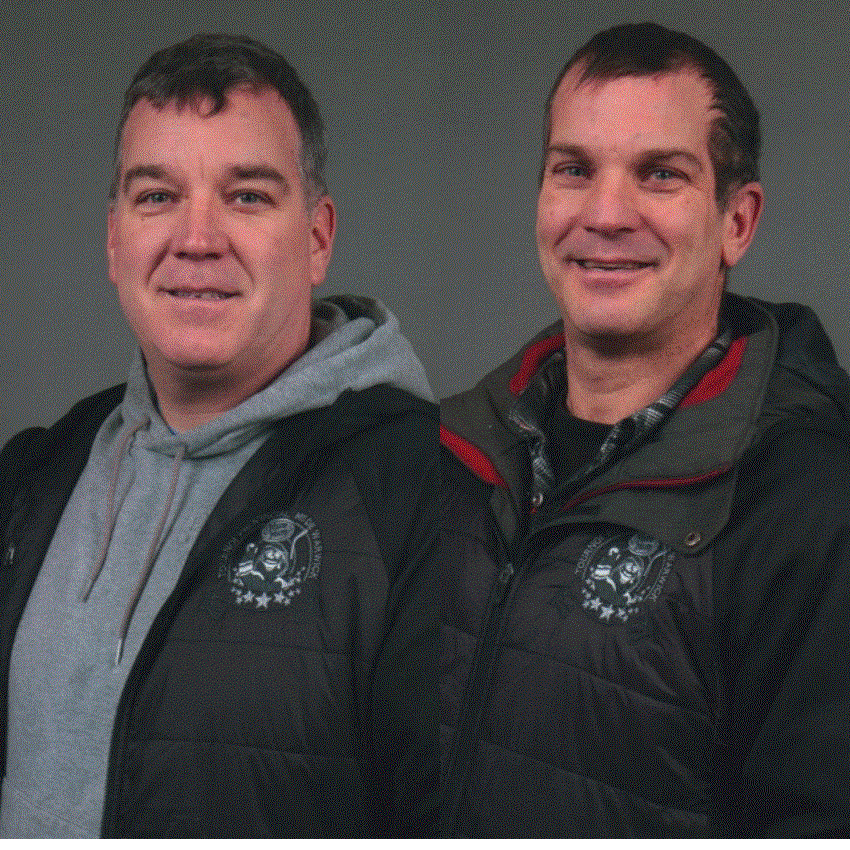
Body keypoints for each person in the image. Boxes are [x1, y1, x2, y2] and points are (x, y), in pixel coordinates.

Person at [0, 34, 436, 838]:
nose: (196, 238)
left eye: (246, 196)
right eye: (157, 196)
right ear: (114, 240)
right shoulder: (35, 476)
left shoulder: (421, 496)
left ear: (317, 238)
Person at [439, 22, 849, 837]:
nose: (605, 214)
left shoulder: (809, 503)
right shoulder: (448, 458)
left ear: (737, 221)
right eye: (574, 170)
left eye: (660, 174)